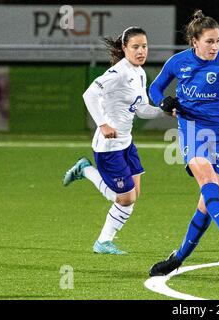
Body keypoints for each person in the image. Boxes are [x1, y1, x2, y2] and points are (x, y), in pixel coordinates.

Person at [147, 10, 219, 276]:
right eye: (209, 41)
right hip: (193, 132)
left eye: (218, 41)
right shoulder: (178, 62)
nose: (215, 46)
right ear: (194, 41)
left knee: (207, 202)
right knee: (208, 181)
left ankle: (178, 258)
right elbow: (155, 88)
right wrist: (163, 102)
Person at [62, 27, 172, 254]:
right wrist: (102, 124)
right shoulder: (118, 73)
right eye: (135, 47)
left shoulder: (139, 72)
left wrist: (165, 111)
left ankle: (85, 171)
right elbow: (89, 94)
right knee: (125, 198)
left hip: (126, 143)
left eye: (144, 46)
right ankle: (102, 241)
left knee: (133, 195)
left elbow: (141, 110)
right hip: (109, 147)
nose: (141, 51)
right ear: (124, 48)